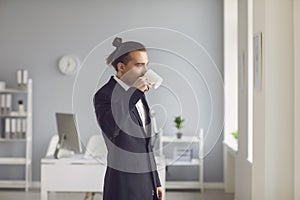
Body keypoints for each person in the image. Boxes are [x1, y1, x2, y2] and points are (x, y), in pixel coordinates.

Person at [93, 37, 163, 200]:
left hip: (147, 182)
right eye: (139, 65)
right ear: (122, 67)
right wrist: (133, 93)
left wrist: (156, 181)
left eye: (146, 64)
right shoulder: (104, 95)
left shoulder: (139, 94)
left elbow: (145, 144)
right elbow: (112, 129)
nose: (145, 71)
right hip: (123, 183)